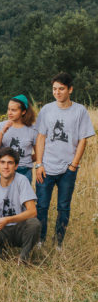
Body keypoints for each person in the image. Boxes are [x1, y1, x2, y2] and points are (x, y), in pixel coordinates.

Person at [35, 72, 95, 246]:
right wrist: (39, 164)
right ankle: (40, 239)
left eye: (61, 89)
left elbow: (83, 139)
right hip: (46, 167)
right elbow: (41, 137)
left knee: (63, 207)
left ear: (70, 89)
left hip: (67, 169)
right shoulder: (46, 109)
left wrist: (73, 166)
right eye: (54, 89)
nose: (57, 92)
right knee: (42, 206)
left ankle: (58, 242)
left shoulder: (79, 111)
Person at [0, 148, 41, 262]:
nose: (6, 166)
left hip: (19, 228)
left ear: (16, 166)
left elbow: (32, 211)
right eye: (2, 162)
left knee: (34, 223)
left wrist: (7, 220)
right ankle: (0, 257)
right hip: (1, 230)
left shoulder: (22, 181)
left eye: (10, 163)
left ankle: (23, 258)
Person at [0, 94, 37, 183]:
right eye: (9, 109)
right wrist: (3, 131)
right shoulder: (0, 126)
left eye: (14, 110)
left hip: (23, 171)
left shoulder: (33, 130)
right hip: (2, 170)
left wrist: (24, 159)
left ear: (23, 112)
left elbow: (38, 154)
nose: (9, 113)